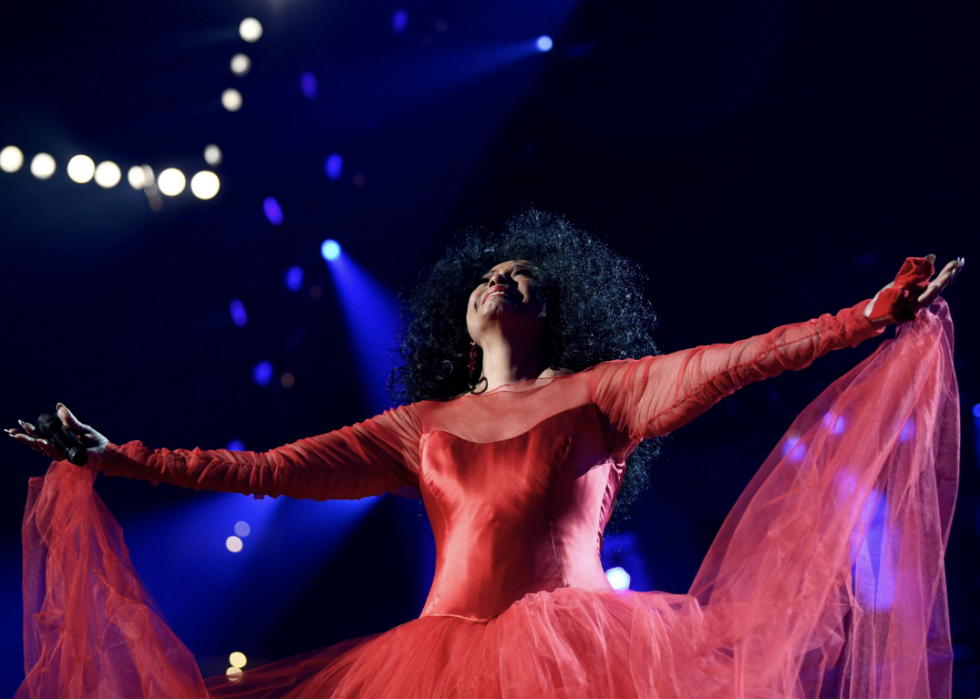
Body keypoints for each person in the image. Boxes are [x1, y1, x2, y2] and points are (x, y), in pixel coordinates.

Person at [8, 210, 965, 698]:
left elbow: (737, 362)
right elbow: (262, 469)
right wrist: (119, 457)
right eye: (488, 278)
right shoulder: (417, 425)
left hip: (588, 653)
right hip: (438, 657)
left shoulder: (605, 391)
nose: (502, 280)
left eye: (524, 279)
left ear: (552, 313)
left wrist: (862, 317)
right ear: (464, 320)